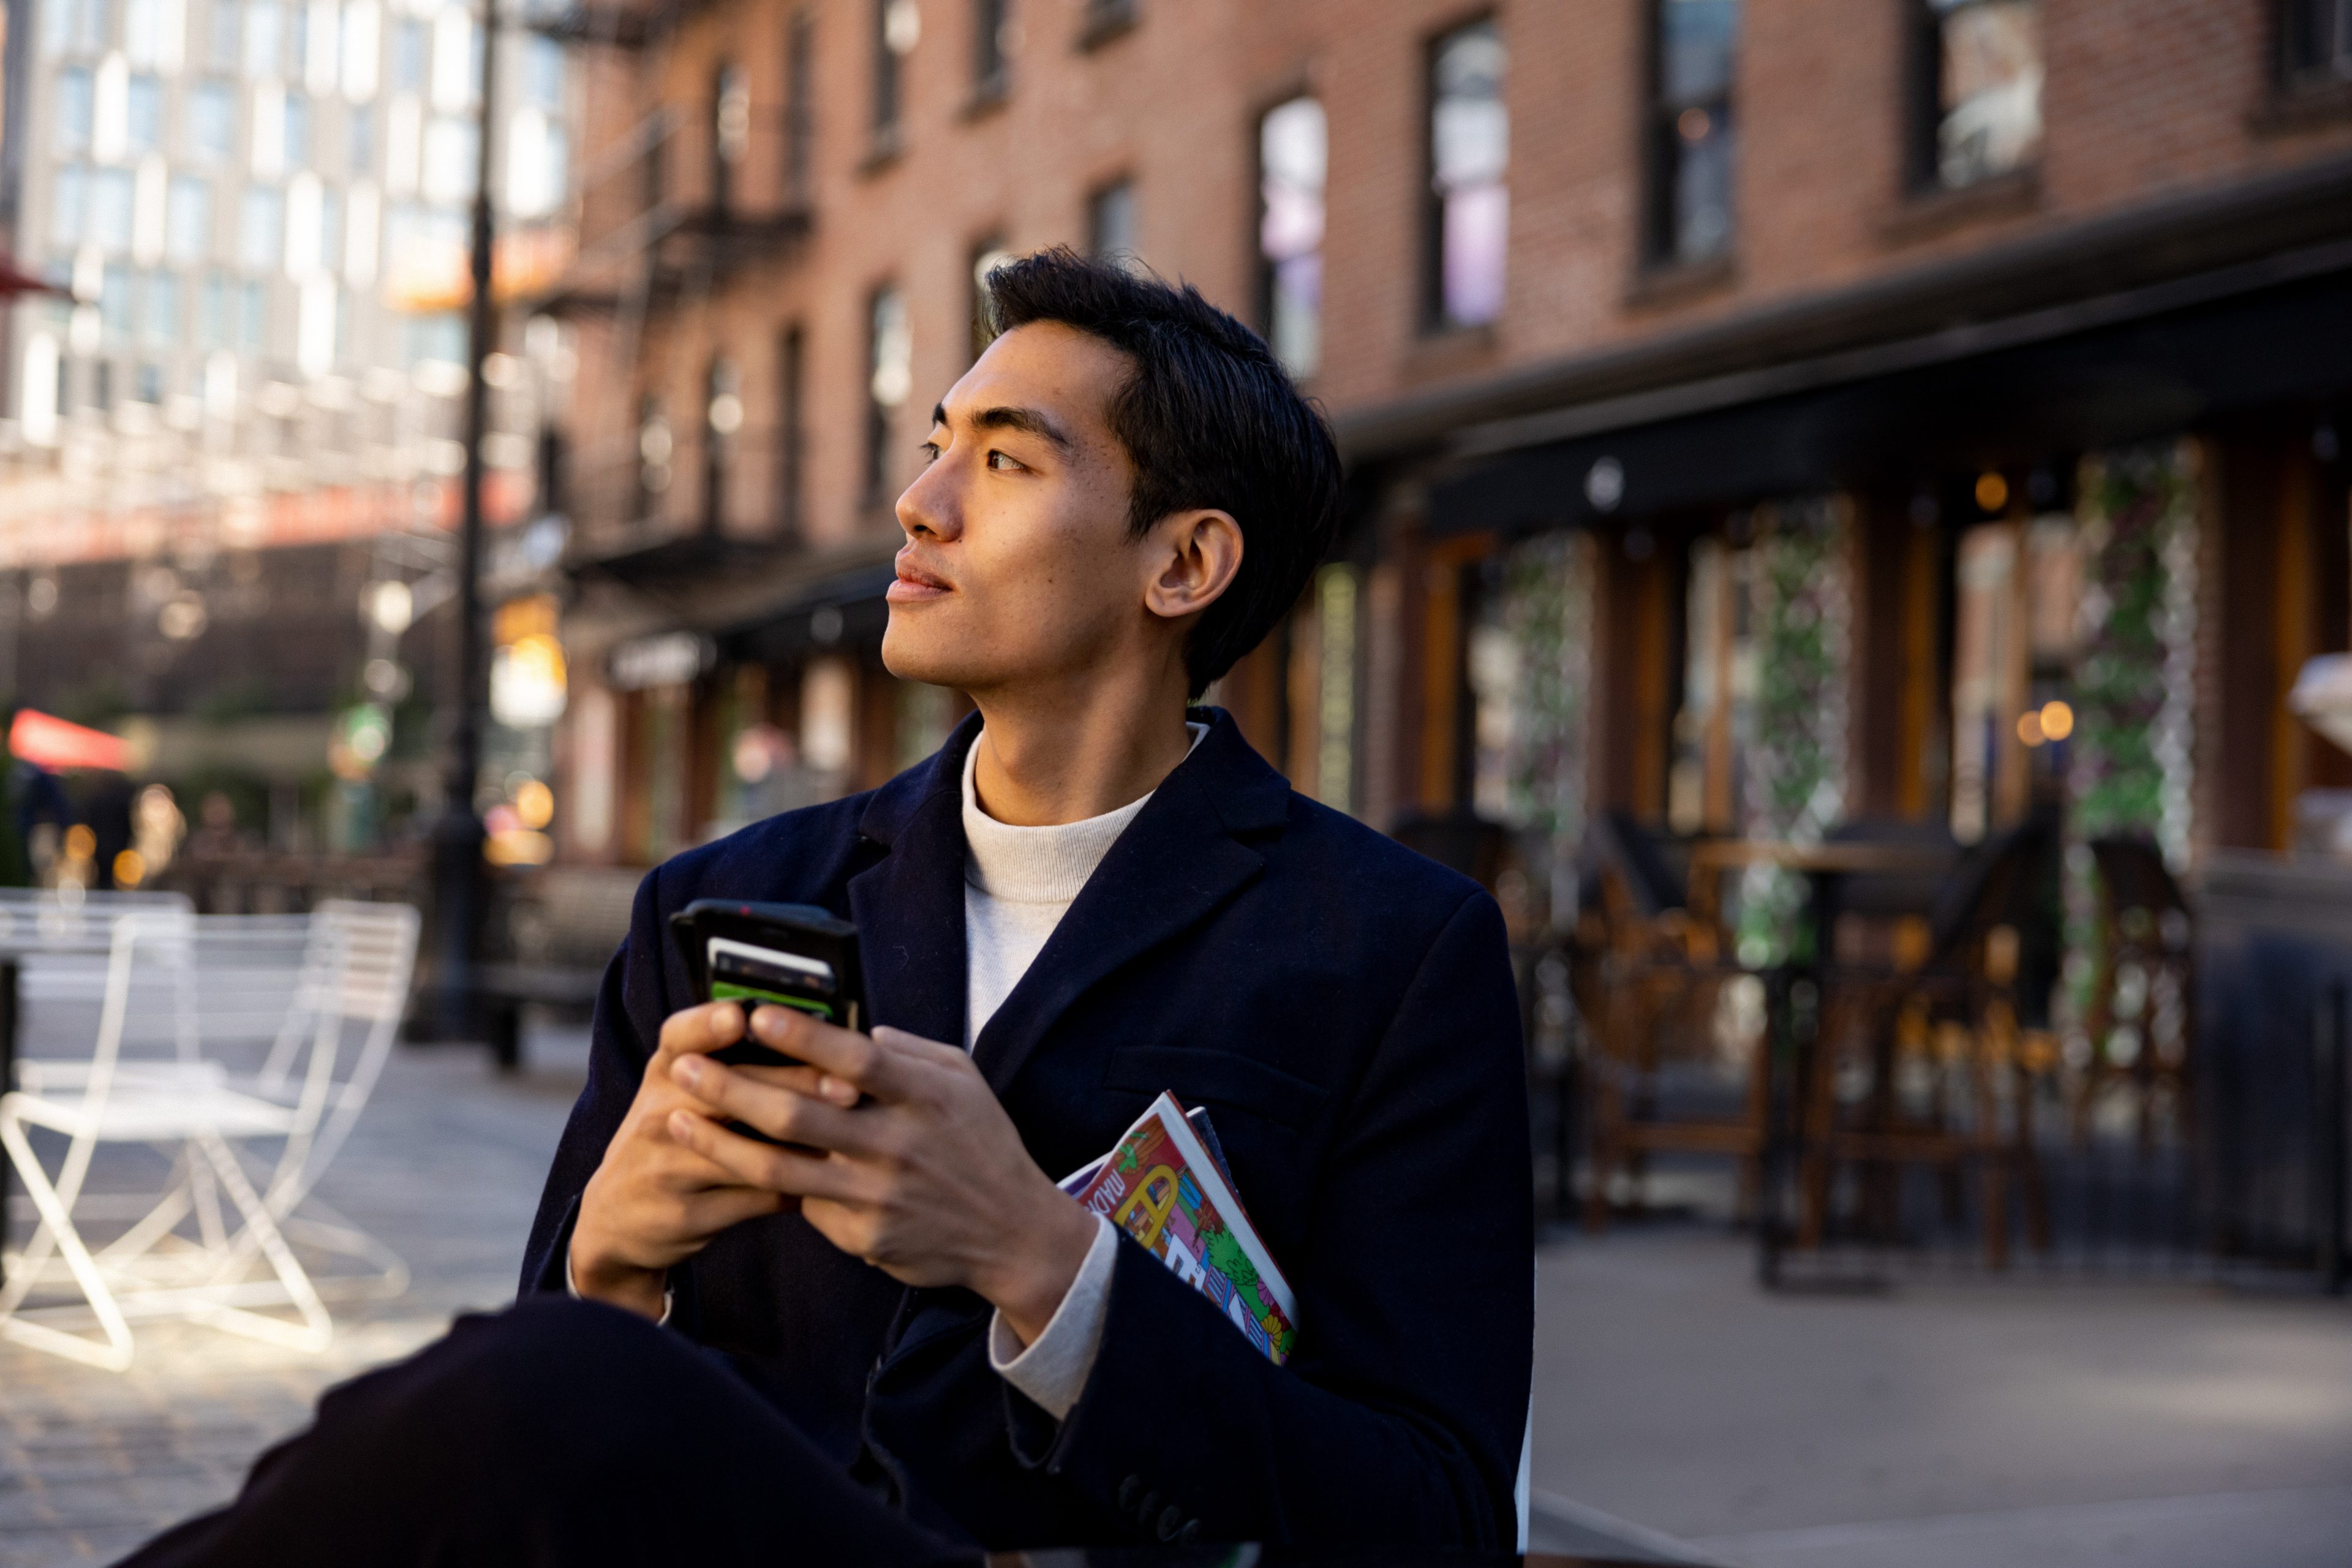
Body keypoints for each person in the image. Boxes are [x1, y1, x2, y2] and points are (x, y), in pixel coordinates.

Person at [124, 249, 1532, 1565]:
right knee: (526, 1378)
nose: (922, 501)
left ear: (1182, 564)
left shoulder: (1392, 948)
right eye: (936, 443)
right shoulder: (722, 899)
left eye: (1005, 458)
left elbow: (1441, 1514)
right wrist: (610, 1263)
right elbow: (562, 1407)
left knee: (536, 1381)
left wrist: (1044, 1257)